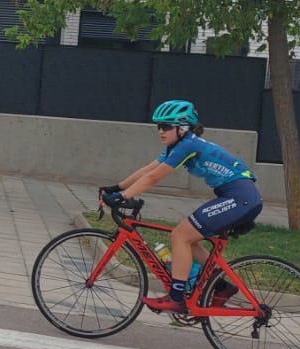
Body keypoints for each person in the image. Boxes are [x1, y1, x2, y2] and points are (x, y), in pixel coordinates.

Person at [101, 99, 262, 314]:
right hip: (236, 196)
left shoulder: (189, 145)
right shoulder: (176, 146)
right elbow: (148, 169)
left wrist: (122, 197)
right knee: (190, 241)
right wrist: (115, 188)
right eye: (159, 126)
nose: (161, 131)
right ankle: (222, 287)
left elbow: (154, 177)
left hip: (240, 197)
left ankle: (176, 299)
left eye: (166, 126)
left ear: (182, 127)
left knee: (180, 236)